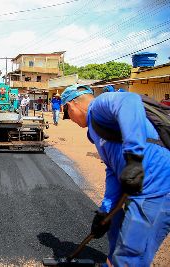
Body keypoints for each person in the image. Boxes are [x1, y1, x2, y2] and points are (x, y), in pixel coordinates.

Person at [60, 84, 170, 266]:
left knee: (131, 253)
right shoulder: (95, 131)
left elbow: (130, 100)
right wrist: (105, 211)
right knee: (114, 226)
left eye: (68, 115)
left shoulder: (99, 105)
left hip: (156, 185)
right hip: (137, 182)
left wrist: (133, 157)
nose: (70, 120)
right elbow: (112, 169)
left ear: (71, 106)